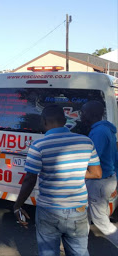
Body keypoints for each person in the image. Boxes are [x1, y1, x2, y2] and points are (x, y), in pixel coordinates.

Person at [13, 105, 102, 256]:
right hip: (78, 209)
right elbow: (96, 173)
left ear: (43, 121)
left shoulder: (38, 146)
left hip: (48, 210)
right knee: (79, 252)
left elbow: (29, 179)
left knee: (48, 252)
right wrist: (74, 171)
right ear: (64, 120)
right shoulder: (86, 142)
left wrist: (18, 206)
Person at [81, 100, 118, 247]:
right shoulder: (105, 129)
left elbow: (91, 159)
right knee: (85, 215)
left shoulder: (99, 132)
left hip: (99, 182)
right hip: (105, 179)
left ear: (91, 114)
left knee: (100, 221)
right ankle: (78, 244)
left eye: (83, 112)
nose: (80, 115)